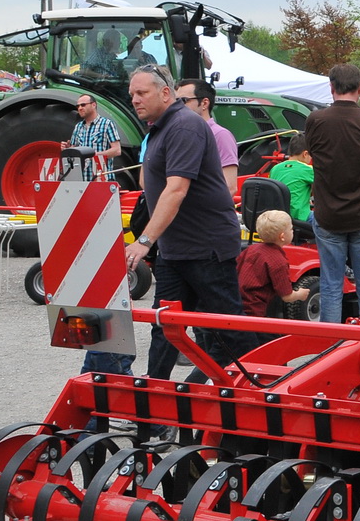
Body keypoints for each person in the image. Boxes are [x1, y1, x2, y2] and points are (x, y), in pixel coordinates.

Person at [124, 65, 245, 381]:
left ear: (165, 93)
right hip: (176, 250)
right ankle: (155, 408)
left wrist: (145, 241)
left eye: (141, 93)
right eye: (132, 94)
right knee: (165, 328)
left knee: (228, 333)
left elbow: (176, 189)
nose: (135, 100)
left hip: (207, 249)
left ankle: (208, 397)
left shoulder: (184, 127)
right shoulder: (161, 127)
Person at [305, 64, 360, 324]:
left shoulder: (316, 121)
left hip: (328, 214)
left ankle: (331, 347)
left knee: (330, 283)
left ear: (331, 87)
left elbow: (315, 157)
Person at [237, 209, 310, 317]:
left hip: (237, 301)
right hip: (255, 309)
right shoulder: (278, 261)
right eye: (291, 229)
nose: (293, 231)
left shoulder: (251, 249)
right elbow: (286, 296)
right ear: (282, 236)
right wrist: (300, 294)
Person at [175, 79, 239, 194]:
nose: (178, 106)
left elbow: (229, 187)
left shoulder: (220, 135)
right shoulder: (179, 135)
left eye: (184, 100)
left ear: (204, 103)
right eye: (176, 101)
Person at [65, 94, 123, 181]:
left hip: (102, 179)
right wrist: (67, 149)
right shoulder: (78, 127)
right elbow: (74, 150)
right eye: (78, 106)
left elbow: (117, 150)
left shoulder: (107, 124)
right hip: (82, 180)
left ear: (94, 105)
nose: (80, 108)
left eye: (83, 105)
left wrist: (95, 156)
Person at [268, 134, 315, 225]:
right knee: (327, 220)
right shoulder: (308, 169)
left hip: (278, 217)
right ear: (305, 154)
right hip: (298, 217)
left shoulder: (275, 169)